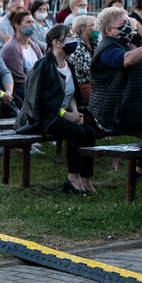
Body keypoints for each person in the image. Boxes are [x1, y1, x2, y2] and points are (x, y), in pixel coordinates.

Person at [16, 25, 98, 194]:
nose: (73, 40)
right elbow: (41, 102)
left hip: (64, 114)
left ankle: (85, 178)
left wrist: (75, 112)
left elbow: (72, 93)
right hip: (45, 117)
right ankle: (72, 178)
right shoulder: (43, 67)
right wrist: (66, 115)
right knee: (76, 132)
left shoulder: (68, 64)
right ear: (57, 43)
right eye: (68, 37)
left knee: (89, 132)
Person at [90, 6, 142, 138]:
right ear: (109, 30)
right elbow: (127, 60)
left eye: (128, 22)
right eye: (123, 24)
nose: (128, 27)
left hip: (137, 103)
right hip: (114, 111)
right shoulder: (107, 48)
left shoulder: (132, 42)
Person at [0, 10, 43, 105]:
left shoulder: (33, 45)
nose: (32, 25)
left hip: (35, 85)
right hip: (21, 89)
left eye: (32, 22)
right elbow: (19, 79)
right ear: (17, 26)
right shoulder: (12, 47)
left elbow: (43, 67)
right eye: (28, 22)